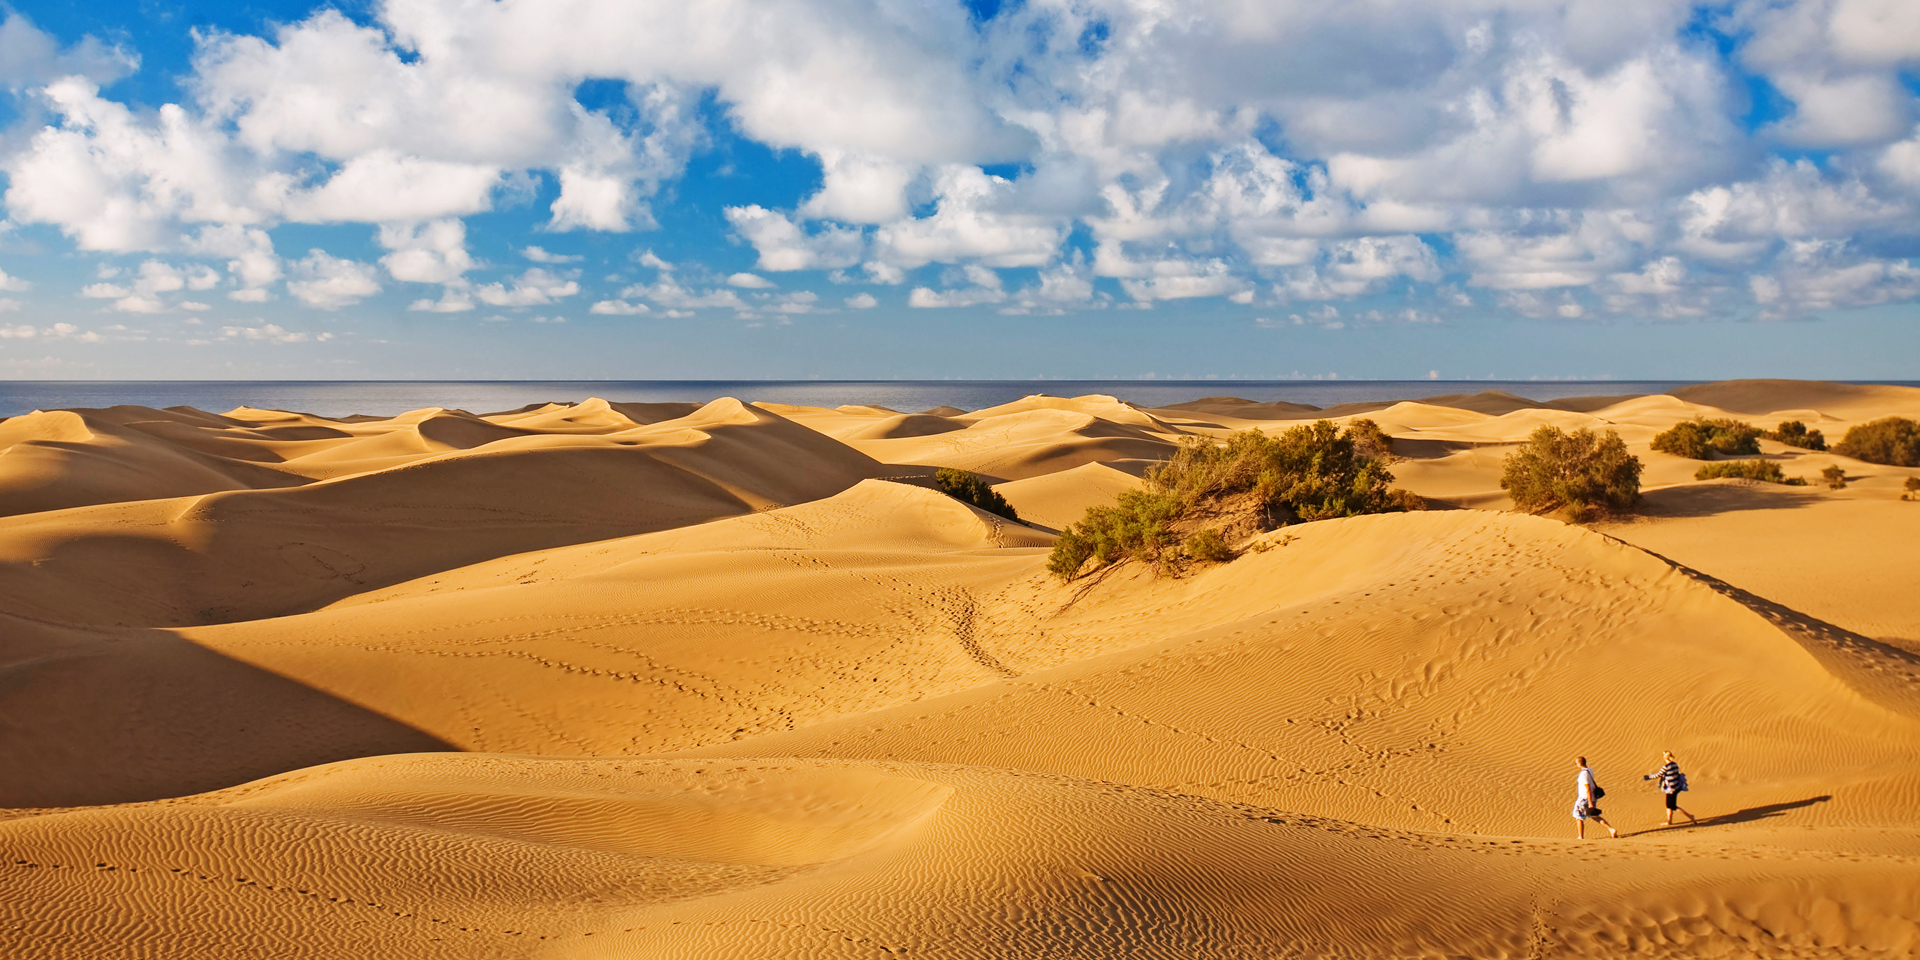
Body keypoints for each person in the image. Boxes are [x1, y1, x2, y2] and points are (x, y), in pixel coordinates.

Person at [1643, 750, 1697, 826]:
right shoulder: (1675, 764)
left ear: (1665, 757)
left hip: (1671, 788)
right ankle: (1669, 821)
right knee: (1669, 804)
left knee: (1671, 806)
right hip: (1676, 787)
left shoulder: (1666, 767)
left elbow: (1658, 775)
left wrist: (1648, 777)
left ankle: (1690, 816)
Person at [1572, 756, 1617, 839]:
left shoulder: (1583, 774)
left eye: (1576, 763)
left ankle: (1580, 837)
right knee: (1593, 815)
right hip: (1592, 797)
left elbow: (1588, 788)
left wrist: (1590, 803)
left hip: (1584, 798)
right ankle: (1611, 829)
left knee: (1578, 816)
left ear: (1579, 763)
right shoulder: (1589, 770)